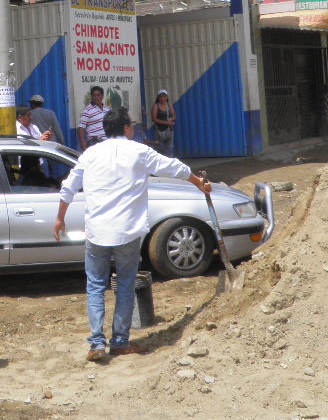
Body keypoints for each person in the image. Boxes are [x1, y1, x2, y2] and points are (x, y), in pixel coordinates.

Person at [54, 108, 213, 361]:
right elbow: (172, 167)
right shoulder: (139, 151)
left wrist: (60, 217)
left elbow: (69, 186)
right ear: (127, 128)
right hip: (127, 232)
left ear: (105, 130)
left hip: (96, 231)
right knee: (125, 286)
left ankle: (96, 343)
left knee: (95, 286)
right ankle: (119, 341)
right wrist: (197, 182)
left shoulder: (90, 154)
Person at [150, 90, 176, 156]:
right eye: (161, 96)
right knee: (159, 150)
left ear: (167, 97)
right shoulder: (156, 106)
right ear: (158, 98)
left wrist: (170, 119)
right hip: (159, 131)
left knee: (169, 149)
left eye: (164, 96)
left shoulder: (169, 105)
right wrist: (166, 122)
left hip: (169, 131)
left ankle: (170, 164)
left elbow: (174, 116)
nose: (162, 98)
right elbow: (154, 119)